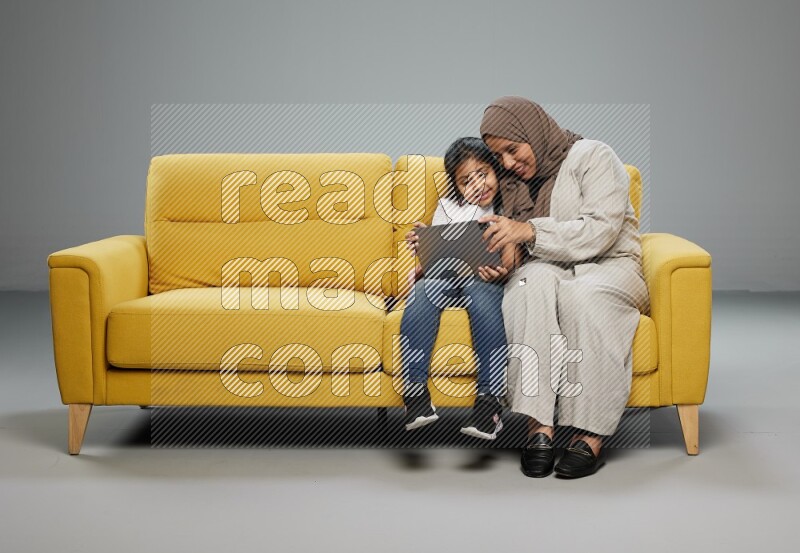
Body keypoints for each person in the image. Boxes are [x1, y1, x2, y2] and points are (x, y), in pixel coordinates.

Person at [478, 96, 650, 478]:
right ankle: (538, 427)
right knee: (526, 284)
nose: (507, 163)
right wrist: (499, 264)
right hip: (550, 265)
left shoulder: (593, 156)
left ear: (533, 132)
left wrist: (530, 230)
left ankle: (589, 436)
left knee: (583, 295)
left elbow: (601, 230)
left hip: (609, 265)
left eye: (512, 149)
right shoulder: (511, 183)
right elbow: (518, 252)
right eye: (498, 155)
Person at [399, 137, 533, 440]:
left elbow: (512, 263)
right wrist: (424, 246)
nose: (477, 185)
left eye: (482, 173)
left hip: (484, 281)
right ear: (456, 187)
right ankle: (415, 396)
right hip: (446, 278)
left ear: (496, 170)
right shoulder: (447, 208)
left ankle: (489, 404)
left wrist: (501, 271)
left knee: (480, 292)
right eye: (465, 181)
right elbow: (432, 263)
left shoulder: (506, 206)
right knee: (423, 291)